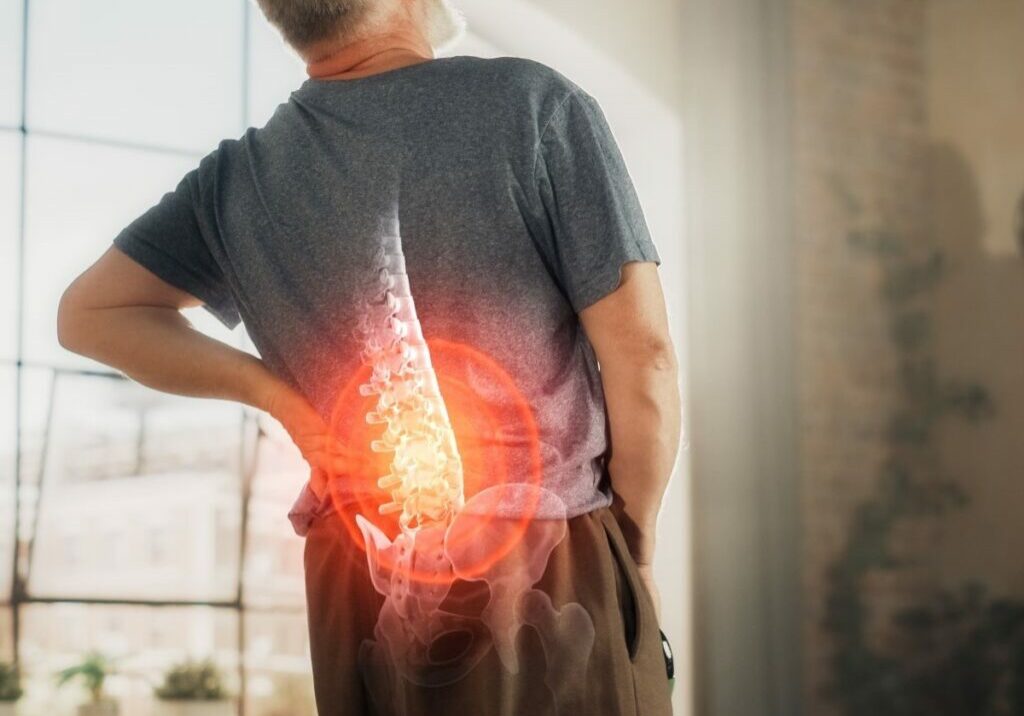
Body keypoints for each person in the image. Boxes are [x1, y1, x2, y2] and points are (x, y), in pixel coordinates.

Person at [56, 0, 682, 713]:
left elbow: (88, 314)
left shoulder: (234, 182)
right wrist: (633, 551)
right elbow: (646, 360)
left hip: (354, 582)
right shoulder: (533, 106)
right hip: (547, 567)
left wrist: (281, 400)